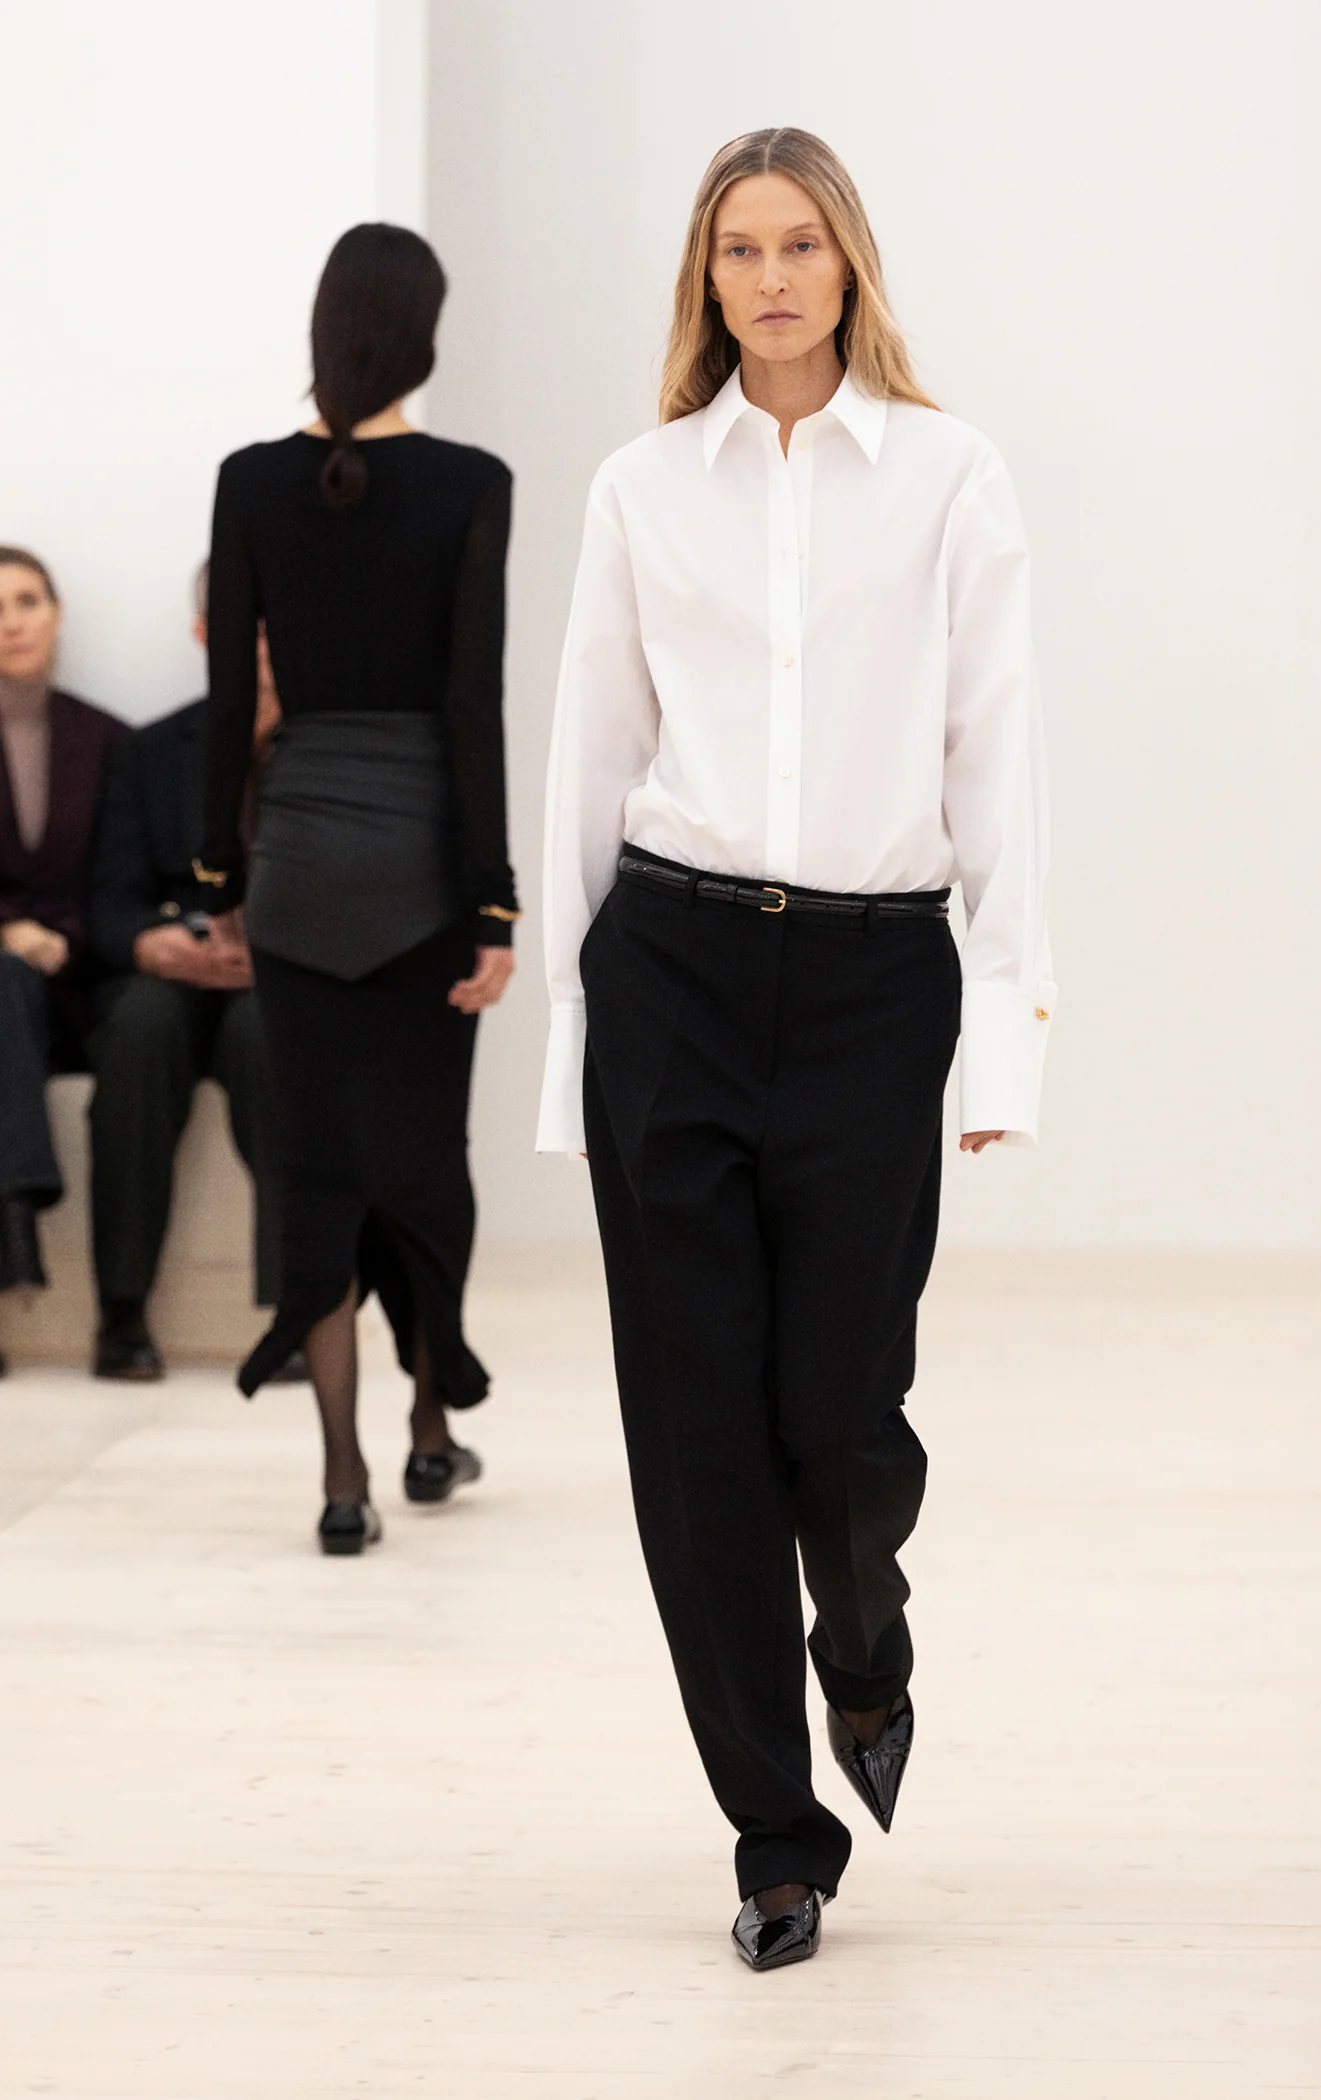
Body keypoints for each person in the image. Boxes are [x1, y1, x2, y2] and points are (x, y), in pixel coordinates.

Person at [538, 130, 1055, 1970]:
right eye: (740, 249)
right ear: (706, 275)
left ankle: (864, 1631)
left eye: (802, 245)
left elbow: (998, 756)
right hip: (670, 975)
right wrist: (574, 1054)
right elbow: (590, 757)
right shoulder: (639, 490)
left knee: (837, 1412)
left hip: (871, 986)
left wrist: (1006, 1043)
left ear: (851, 267)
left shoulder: (950, 477)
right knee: (695, 1437)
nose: (771, 278)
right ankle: (774, 1833)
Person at [199, 222, 516, 1554]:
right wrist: (493, 903)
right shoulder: (472, 484)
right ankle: (431, 1426)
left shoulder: (250, 483)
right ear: (424, 336)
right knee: (424, 1163)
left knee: (318, 1167)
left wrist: (222, 874)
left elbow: (231, 706)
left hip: (297, 870)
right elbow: (472, 706)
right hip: (422, 874)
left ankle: (343, 1480)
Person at [86, 568, 297, 1382]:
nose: (266, 642)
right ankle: (121, 1314)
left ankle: (295, 1312)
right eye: (246, 622)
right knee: (139, 1028)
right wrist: (151, 945)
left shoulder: (332, 752)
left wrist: (275, 950)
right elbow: (107, 902)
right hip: (171, 972)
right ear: (205, 635)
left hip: (280, 978)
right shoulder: (148, 751)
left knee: (269, 1031)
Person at [0, 547, 127, 1373]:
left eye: (27, 601)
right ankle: (13, 1221)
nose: (11, 623)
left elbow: (124, 874)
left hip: (84, 986)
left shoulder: (108, 739)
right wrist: (7, 931)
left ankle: (17, 1224)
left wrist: (65, 939)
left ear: (57, 614)